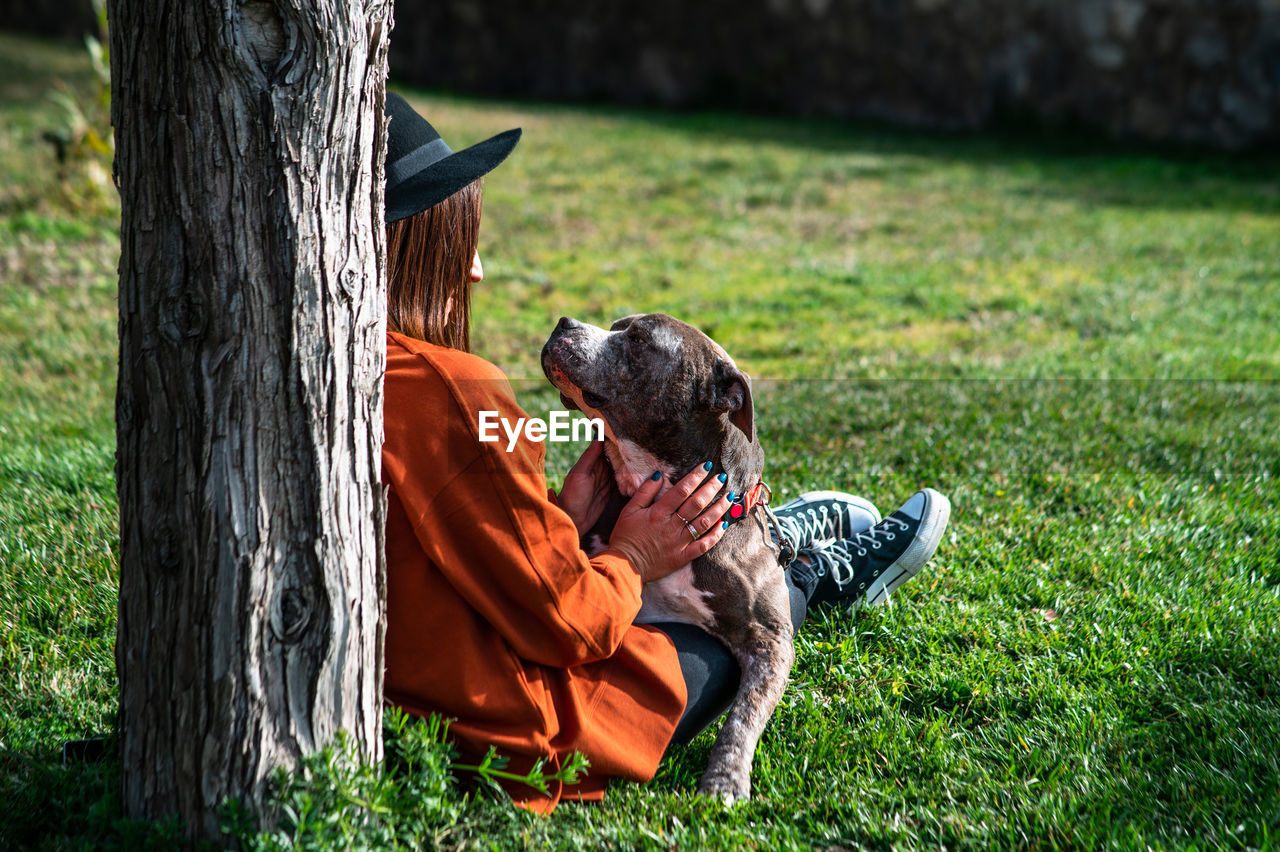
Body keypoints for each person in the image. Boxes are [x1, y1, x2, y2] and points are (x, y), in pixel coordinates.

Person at [378, 92, 951, 811]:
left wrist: (560, 516)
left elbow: (462, 558)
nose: (478, 270)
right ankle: (803, 581)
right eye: (458, 235)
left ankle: (769, 536)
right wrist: (634, 558)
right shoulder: (454, 391)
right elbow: (565, 623)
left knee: (703, 564)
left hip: (406, 705)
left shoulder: (326, 370)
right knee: (724, 643)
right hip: (521, 730)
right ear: (410, 244)